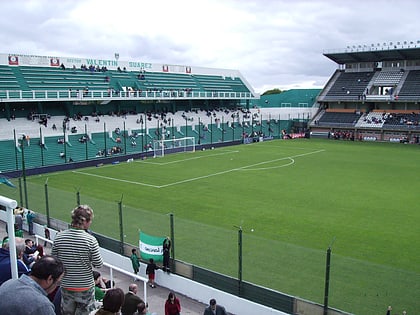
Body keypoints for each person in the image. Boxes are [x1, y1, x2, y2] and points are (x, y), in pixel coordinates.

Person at [52, 205, 103, 315]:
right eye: (90, 221)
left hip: (66, 284)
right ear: (85, 222)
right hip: (85, 286)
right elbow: (98, 263)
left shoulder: (59, 237)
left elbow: (54, 260)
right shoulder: (90, 240)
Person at [0, 255, 65, 315]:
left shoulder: (8, 283)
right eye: (58, 282)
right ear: (49, 279)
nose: (57, 285)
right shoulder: (42, 306)